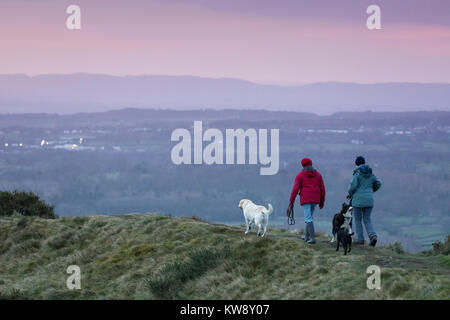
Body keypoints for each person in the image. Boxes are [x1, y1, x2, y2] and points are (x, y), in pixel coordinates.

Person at [287, 158, 326, 244]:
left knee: (308, 218)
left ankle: (312, 239)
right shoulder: (318, 175)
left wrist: (291, 202)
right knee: (309, 218)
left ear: (303, 165)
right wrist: (322, 201)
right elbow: (322, 189)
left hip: (306, 199)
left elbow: (295, 190)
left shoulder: (300, 175)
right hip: (315, 199)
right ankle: (306, 237)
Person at [348, 156, 382, 246]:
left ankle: (360, 239)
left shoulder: (357, 174)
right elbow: (378, 183)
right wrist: (371, 191)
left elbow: (352, 186)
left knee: (358, 220)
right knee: (367, 220)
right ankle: (372, 236)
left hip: (358, 200)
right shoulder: (370, 173)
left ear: (356, 164)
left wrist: (350, 194)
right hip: (369, 200)